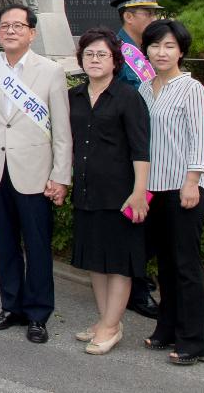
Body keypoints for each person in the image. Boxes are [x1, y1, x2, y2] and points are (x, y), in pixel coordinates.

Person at [0, 5, 72, 345]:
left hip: (35, 173)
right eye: (5, 26)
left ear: (32, 32)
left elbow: (62, 130)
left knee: (37, 245)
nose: (11, 31)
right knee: (5, 244)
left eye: (18, 26)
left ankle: (38, 314)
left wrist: (61, 175)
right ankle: (11, 307)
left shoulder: (51, 72)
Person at [69, 27, 150, 355]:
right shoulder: (73, 95)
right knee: (95, 260)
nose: (95, 59)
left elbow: (141, 148)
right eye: (89, 54)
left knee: (118, 262)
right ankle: (107, 320)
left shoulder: (128, 96)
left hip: (121, 193)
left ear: (116, 60)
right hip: (86, 190)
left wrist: (140, 191)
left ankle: (111, 326)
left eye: (102, 54)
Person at [140, 19, 204, 367]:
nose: (161, 52)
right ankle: (166, 328)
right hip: (152, 190)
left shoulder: (192, 89)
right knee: (165, 265)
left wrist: (192, 181)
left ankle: (194, 341)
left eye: (169, 46)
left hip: (183, 190)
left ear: (181, 50)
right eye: (155, 45)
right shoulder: (144, 88)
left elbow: (200, 138)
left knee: (186, 267)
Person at [110, 0, 165, 318]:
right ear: (129, 16)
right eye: (148, 13)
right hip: (129, 148)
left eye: (155, 13)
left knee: (149, 219)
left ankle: (138, 276)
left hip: (152, 145)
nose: (154, 18)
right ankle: (136, 288)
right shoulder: (117, 50)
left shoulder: (148, 49)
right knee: (135, 220)